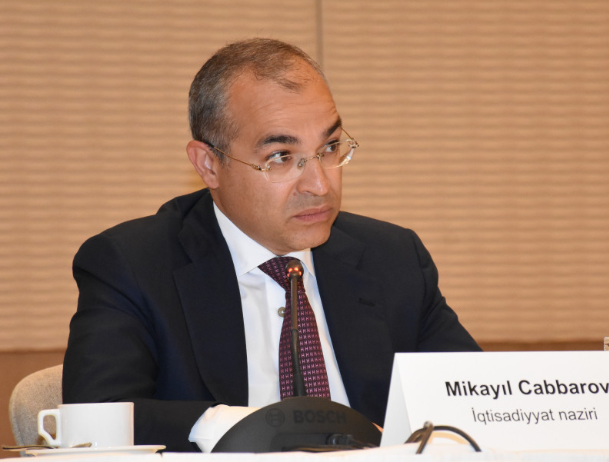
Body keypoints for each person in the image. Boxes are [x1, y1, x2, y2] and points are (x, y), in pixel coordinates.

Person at [62, 38, 481, 452]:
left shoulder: (393, 258)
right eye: (281, 156)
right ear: (209, 165)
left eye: (329, 148)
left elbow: (477, 403)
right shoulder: (133, 265)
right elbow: (94, 418)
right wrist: (263, 429)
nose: (320, 185)